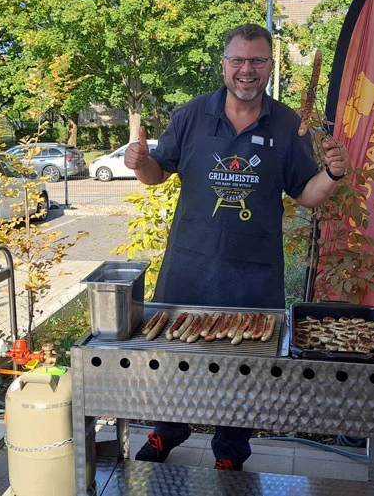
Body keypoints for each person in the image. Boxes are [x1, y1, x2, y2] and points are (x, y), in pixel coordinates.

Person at [123, 24, 349, 471]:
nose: (247, 70)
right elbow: (156, 174)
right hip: (189, 266)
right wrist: (141, 161)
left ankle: (230, 451)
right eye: (239, 61)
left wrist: (334, 174)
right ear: (224, 65)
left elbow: (305, 193)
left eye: (257, 61)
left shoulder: (286, 124)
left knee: (245, 366)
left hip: (254, 271)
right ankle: (167, 432)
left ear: (268, 66)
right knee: (174, 359)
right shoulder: (190, 116)